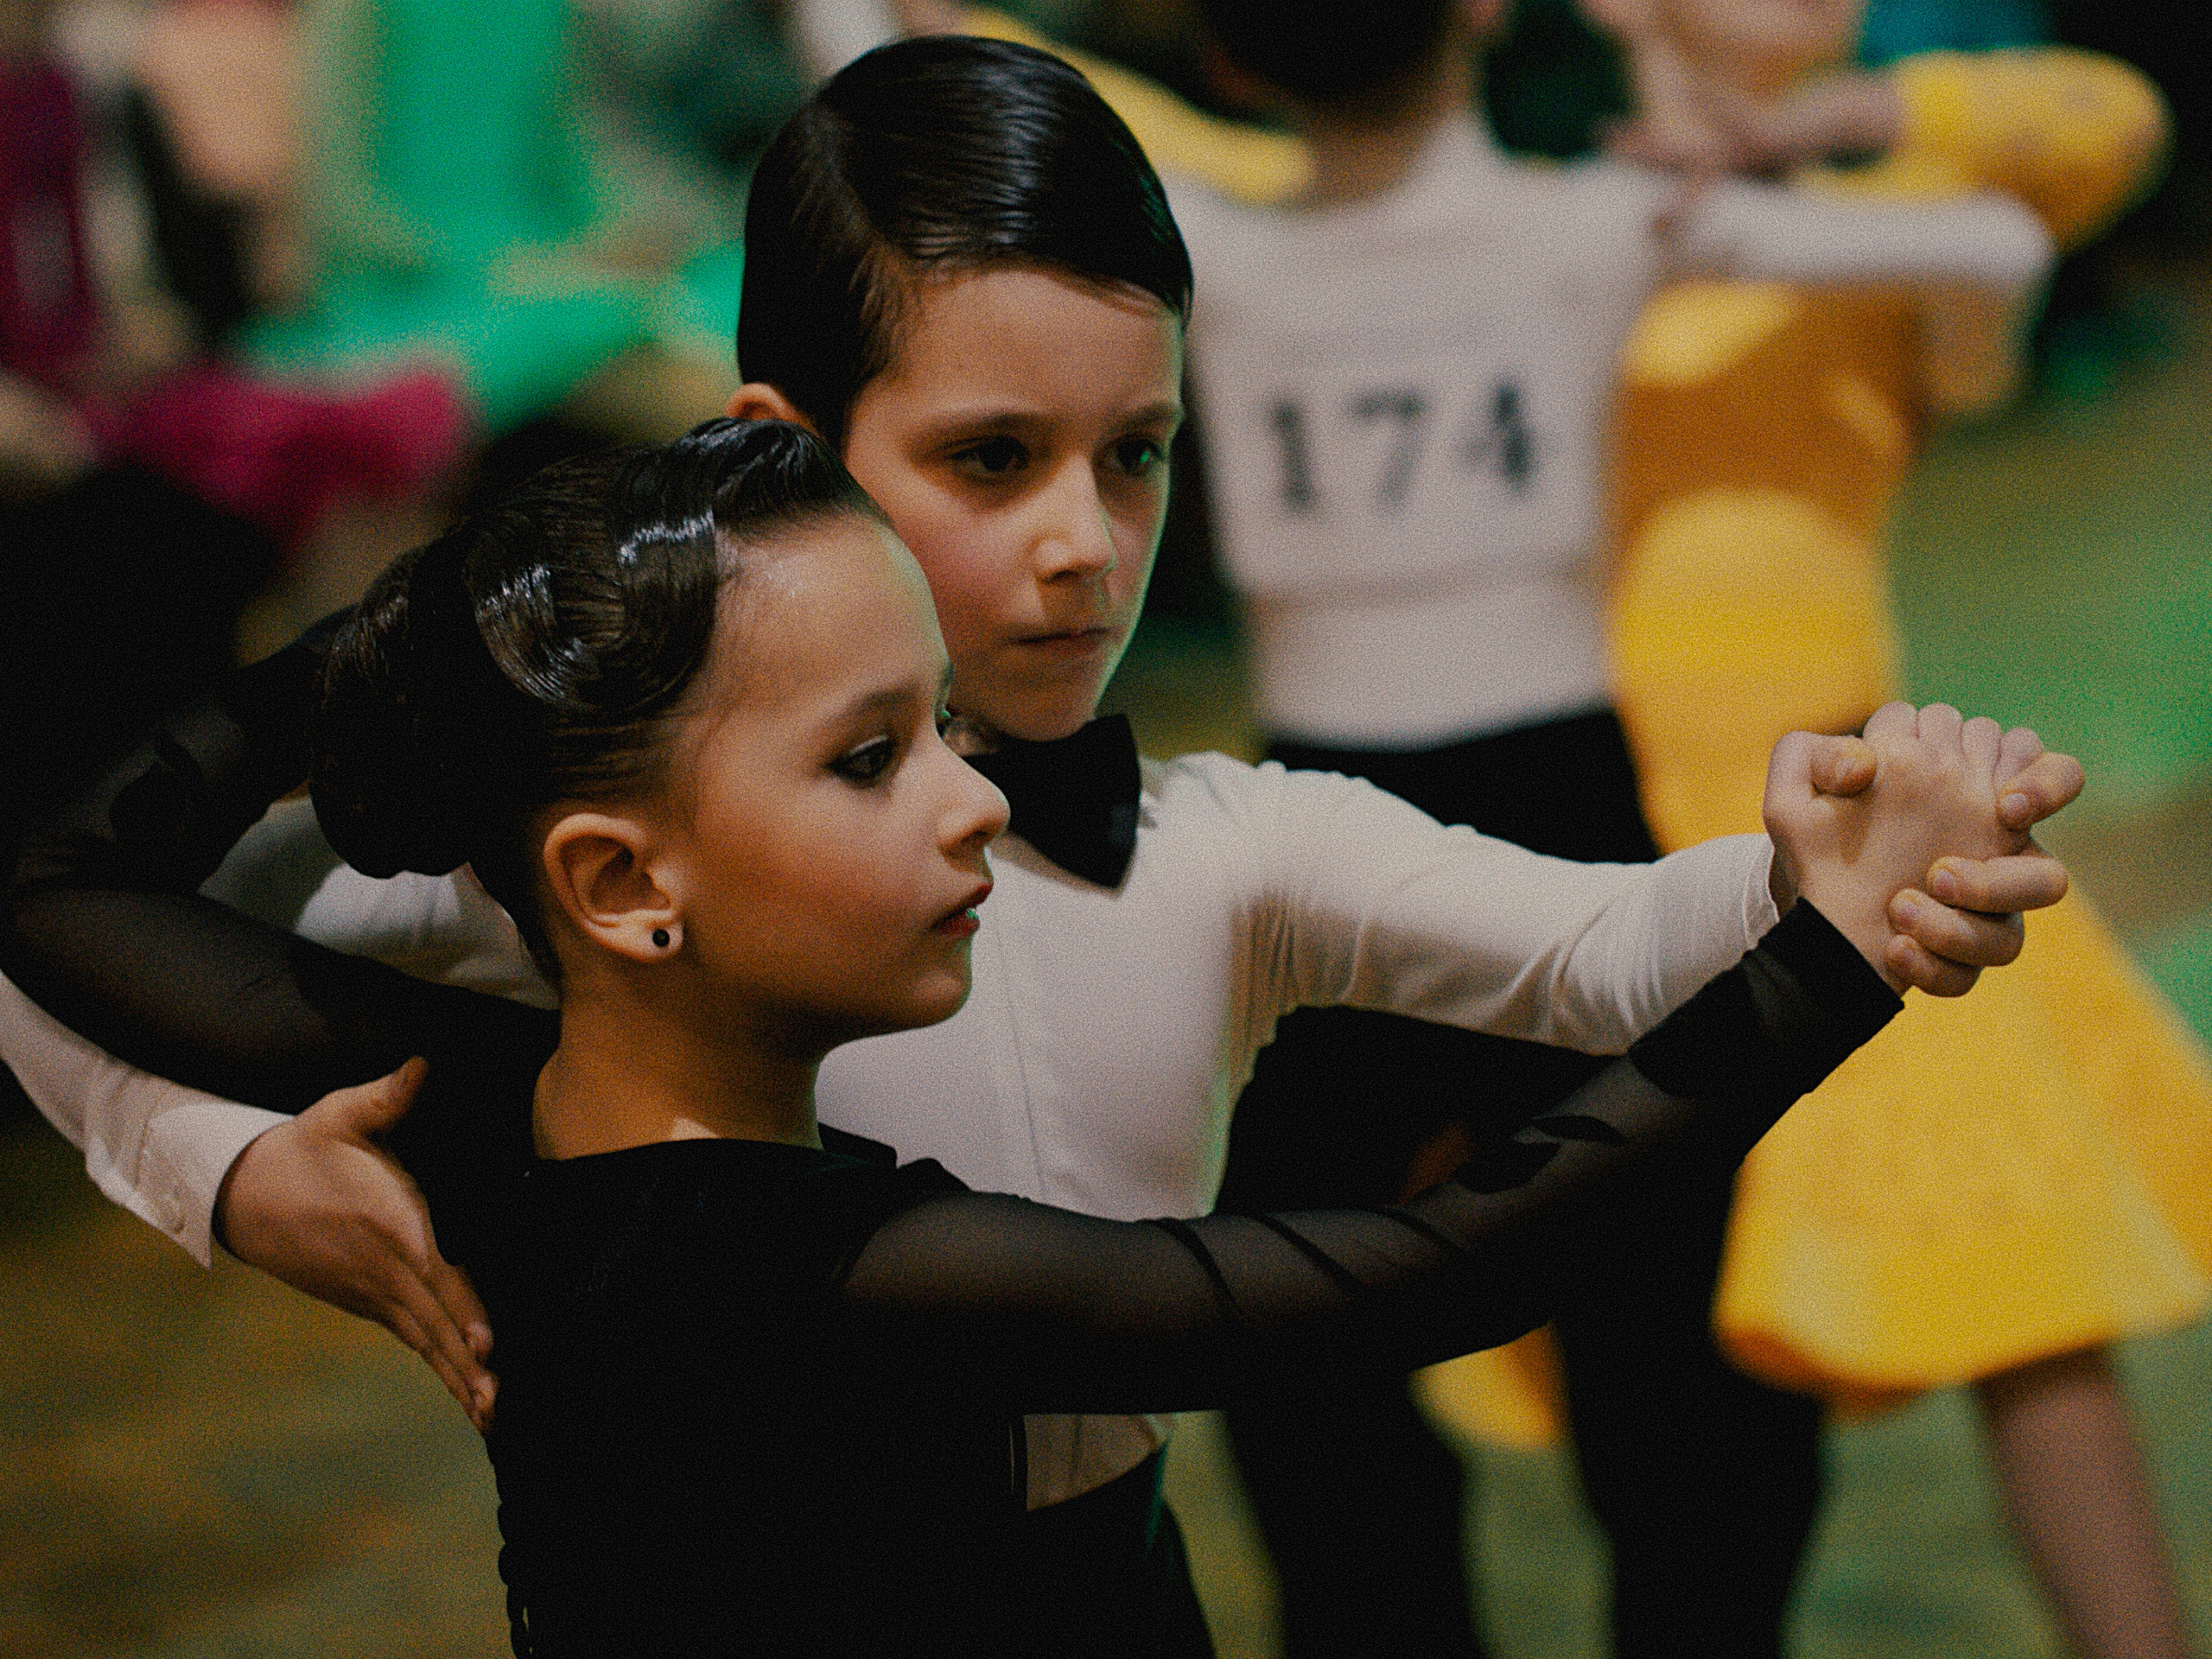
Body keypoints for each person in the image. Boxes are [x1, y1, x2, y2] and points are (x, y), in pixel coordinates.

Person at [0, 35, 2082, 1655]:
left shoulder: (1224, 850)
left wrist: (1821, 870)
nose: (1086, 545)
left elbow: (1606, 951)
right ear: (775, 441)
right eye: (992, 461)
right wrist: (230, 1176)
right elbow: (48, 955)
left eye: (1139, 453)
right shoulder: (601, 883)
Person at [887, 4, 2058, 1652]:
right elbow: (1998, 245)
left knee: (1290, 1341)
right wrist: (1953, 356)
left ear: (1232, 61)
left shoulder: (1209, 237)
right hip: (1547, 809)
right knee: (1668, 1315)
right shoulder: (1597, 221)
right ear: (1490, 13)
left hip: (1317, 823)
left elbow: (879, 66)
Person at [1544, 5, 2207, 1655]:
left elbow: (2107, 119)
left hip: (1854, 827)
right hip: (1584, 831)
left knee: (2030, 1299)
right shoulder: (1516, 200)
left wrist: (1797, 137)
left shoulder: (1894, 213)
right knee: (1643, 1362)